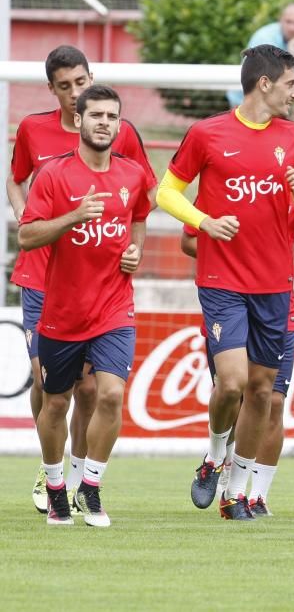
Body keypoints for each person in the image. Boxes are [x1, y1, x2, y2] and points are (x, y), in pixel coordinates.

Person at [157, 44, 294, 521]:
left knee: (263, 392)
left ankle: (234, 491)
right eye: (291, 83)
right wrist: (204, 221)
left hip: (274, 283)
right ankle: (212, 456)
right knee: (231, 385)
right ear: (265, 83)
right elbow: (164, 191)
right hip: (222, 278)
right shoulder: (207, 133)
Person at [6, 45, 156, 515]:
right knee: (49, 387)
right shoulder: (37, 135)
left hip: (106, 291)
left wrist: (135, 249)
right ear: (53, 91)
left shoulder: (121, 140)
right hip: (45, 281)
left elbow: (139, 204)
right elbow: (18, 187)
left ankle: (82, 481)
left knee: (101, 391)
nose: (77, 95)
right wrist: (35, 216)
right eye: (67, 87)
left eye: (82, 83)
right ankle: (51, 470)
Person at [179, 206, 294, 518]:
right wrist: (233, 259)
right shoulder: (222, 184)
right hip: (229, 299)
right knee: (232, 392)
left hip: (278, 308)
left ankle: (254, 496)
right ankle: (216, 460)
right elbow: (188, 240)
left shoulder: (293, 192)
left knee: (272, 400)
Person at [226, 3, 294, 108]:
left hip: (281, 102)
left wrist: (293, 46)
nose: (292, 27)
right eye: (288, 21)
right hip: (244, 98)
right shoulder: (264, 36)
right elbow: (262, 75)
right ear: (280, 20)